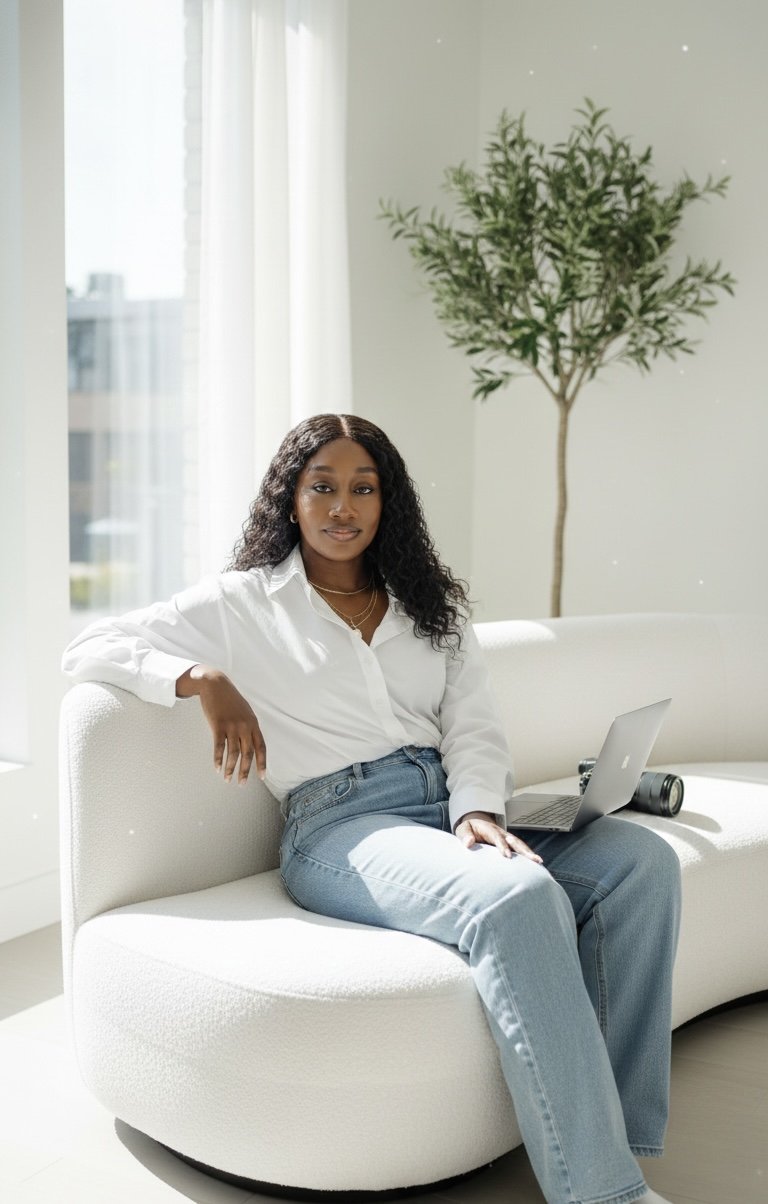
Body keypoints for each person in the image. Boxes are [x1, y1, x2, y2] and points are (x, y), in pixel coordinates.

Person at [62, 413, 681, 1204]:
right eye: (322, 487)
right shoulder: (243, 603)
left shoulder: (430, 605)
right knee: (516, 899)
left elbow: (475, 728)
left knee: (641, 864)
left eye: (363, 488)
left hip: (449, 808)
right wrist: (202, 680)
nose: (341, 506)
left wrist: (475, 811)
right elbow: (90, 646)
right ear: (291, 499)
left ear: (389, 504)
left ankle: (609, 1140)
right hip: (342, 827)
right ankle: (601, 1194)